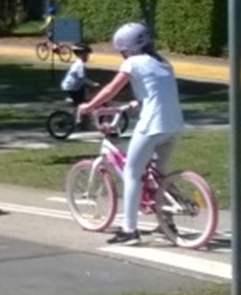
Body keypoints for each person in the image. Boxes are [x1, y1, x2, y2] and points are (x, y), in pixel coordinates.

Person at [78, 22, 185, 246]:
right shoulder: (163, 62)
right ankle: (167, 223)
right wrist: (138, 102)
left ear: (128, 48)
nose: (122, 54)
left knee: (131, 173)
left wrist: (89, 106)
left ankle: (129, 230)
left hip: (152, 125)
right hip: (174, 124)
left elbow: (111, 89)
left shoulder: (133, 62)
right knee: (159, 175)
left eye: (122, 50)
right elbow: (157, 90)